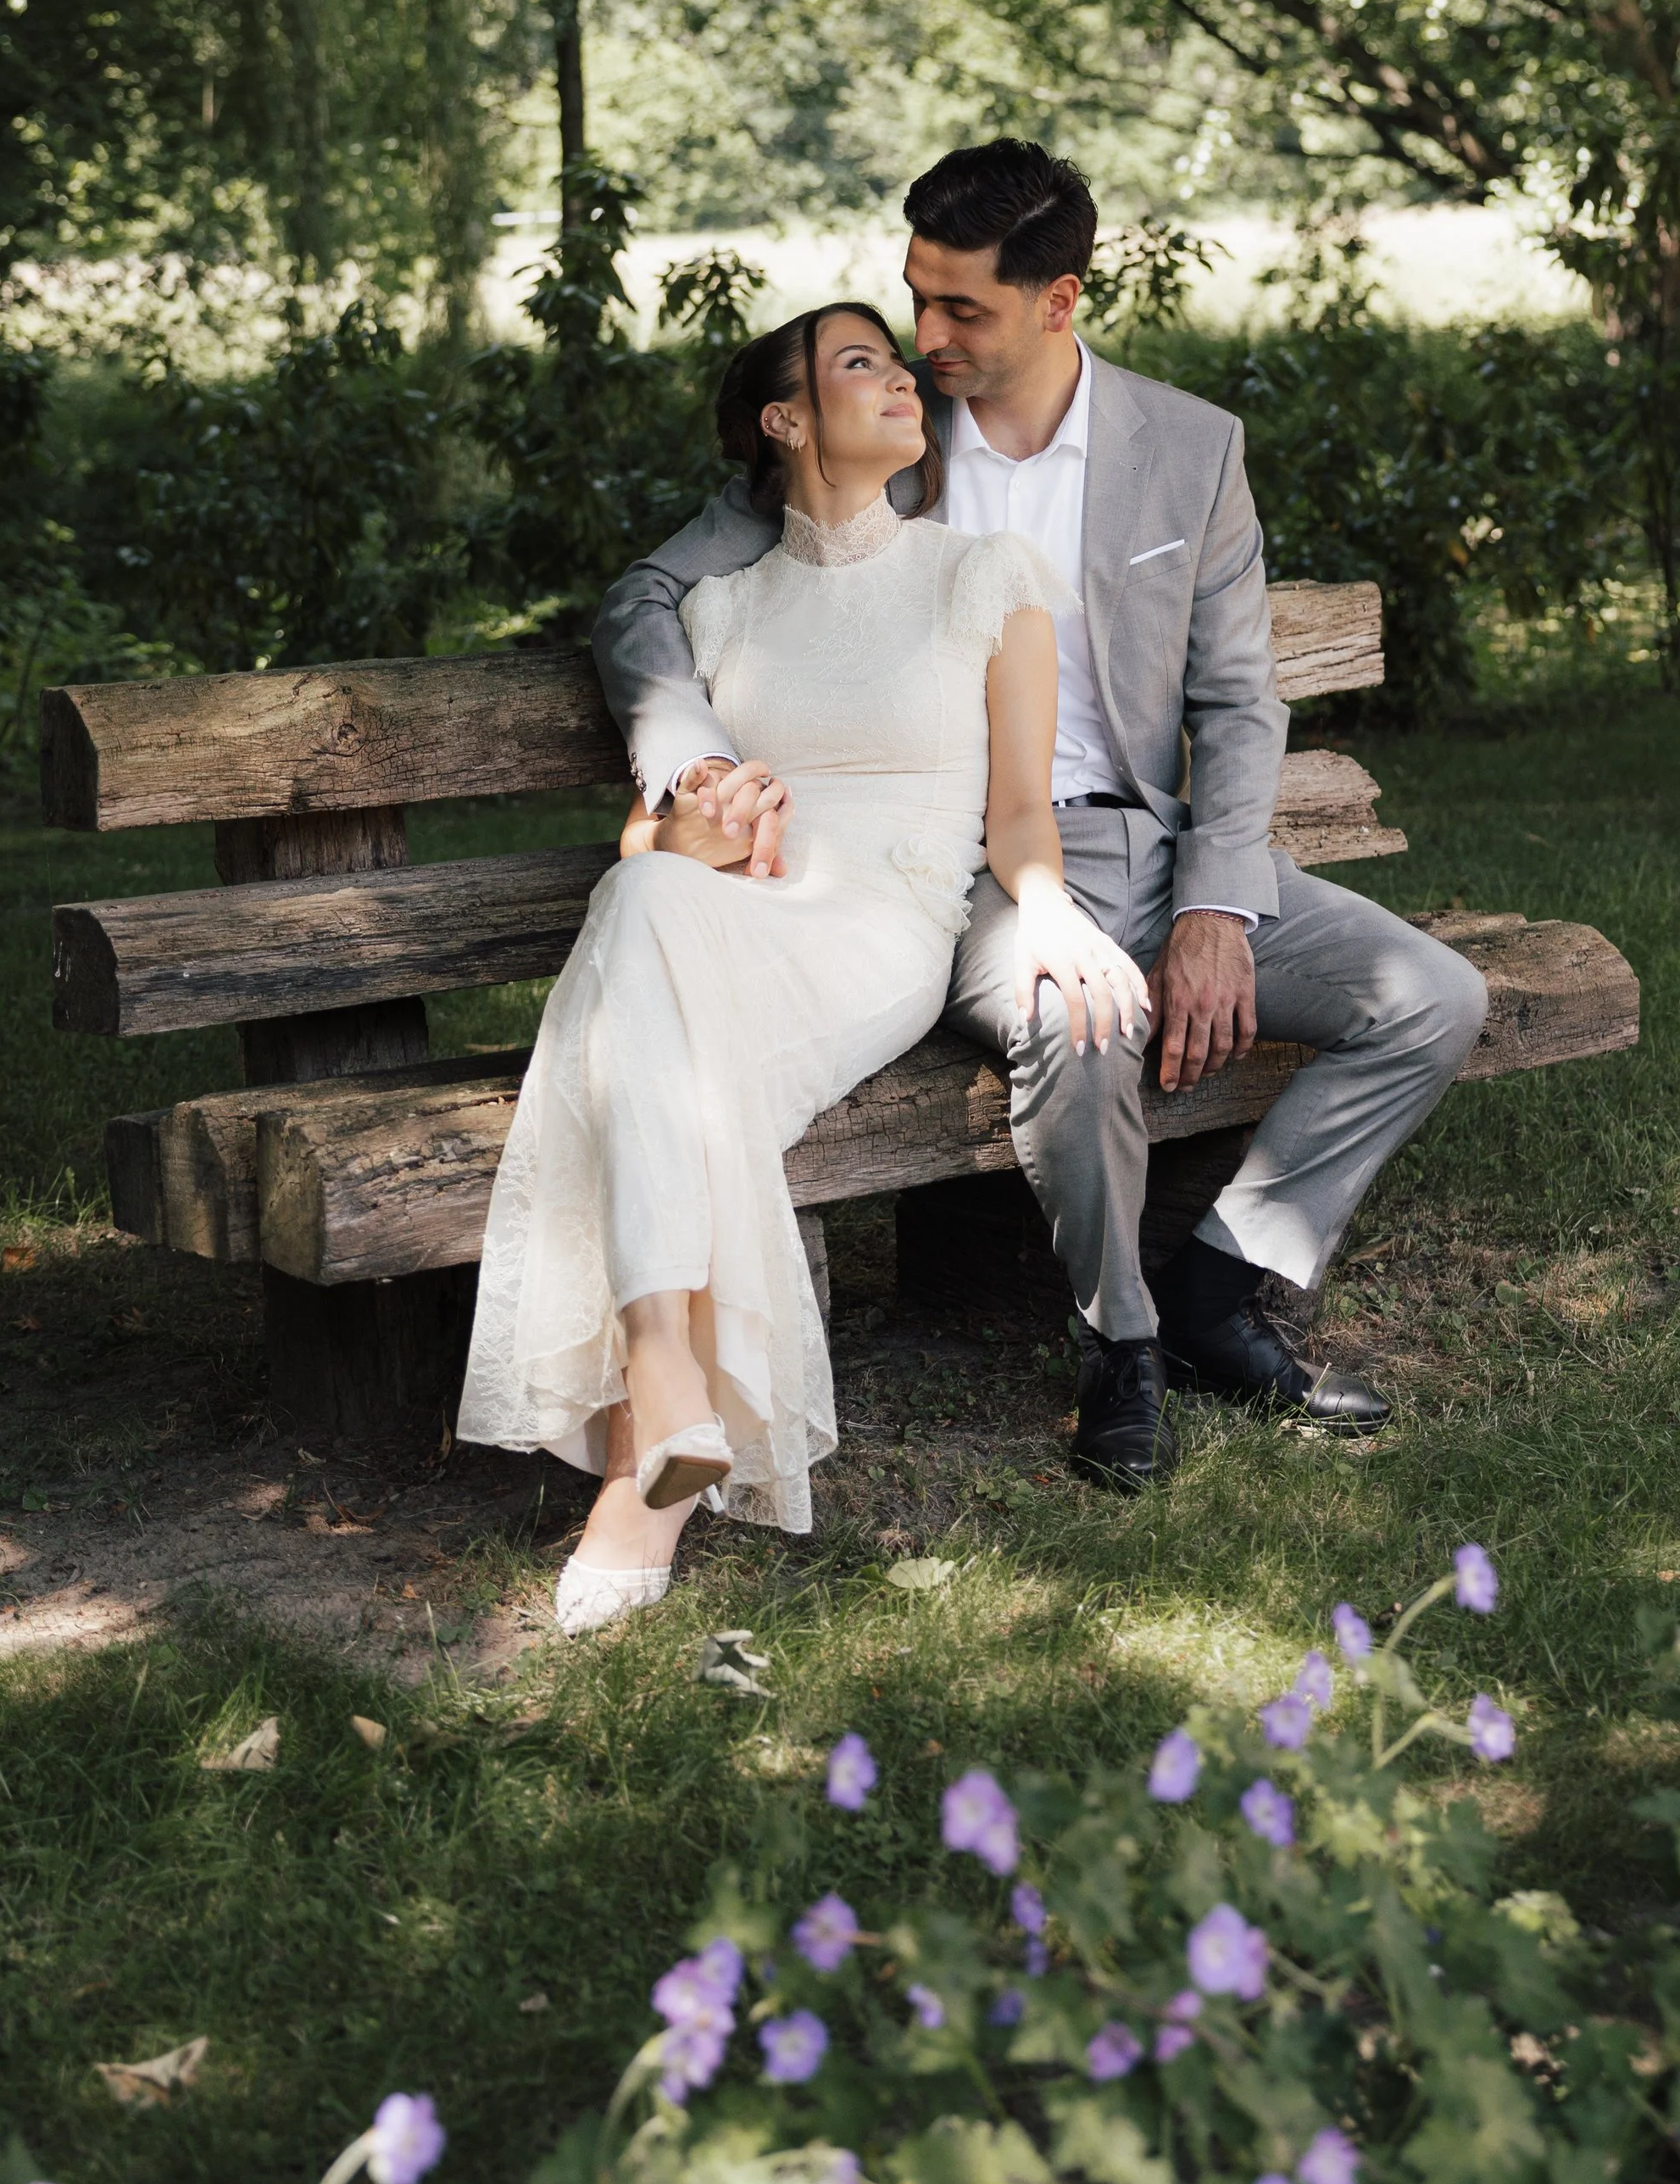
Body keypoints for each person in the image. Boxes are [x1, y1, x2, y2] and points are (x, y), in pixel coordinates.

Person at [594, 141, 1490, 1491]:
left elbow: (1242, 706)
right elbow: (644, 597)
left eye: (963, 310)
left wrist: (1213, 905)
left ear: (1061, 299)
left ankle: (1220, 1284)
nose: (926, 337)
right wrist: (695, 764)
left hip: (1146, 835)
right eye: (918, 299)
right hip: (968, 866)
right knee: (1080, 1019)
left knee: (1431, 995)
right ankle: (1119, 1345)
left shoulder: (1190, 453)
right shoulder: (877, 435)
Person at [457, 298, 1149, 1630]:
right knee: (647, 896)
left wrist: (1052, 909)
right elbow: (646, 838)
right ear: (785, 420)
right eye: (859, 363)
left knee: (638, 953)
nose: (902, 377)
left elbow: (1017, 813)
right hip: (731, 914)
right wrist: (691, 829)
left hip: (878, 924)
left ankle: (650, 1425)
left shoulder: (983, 576)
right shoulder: (720, 611)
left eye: (899, 362)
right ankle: (659, 1398)